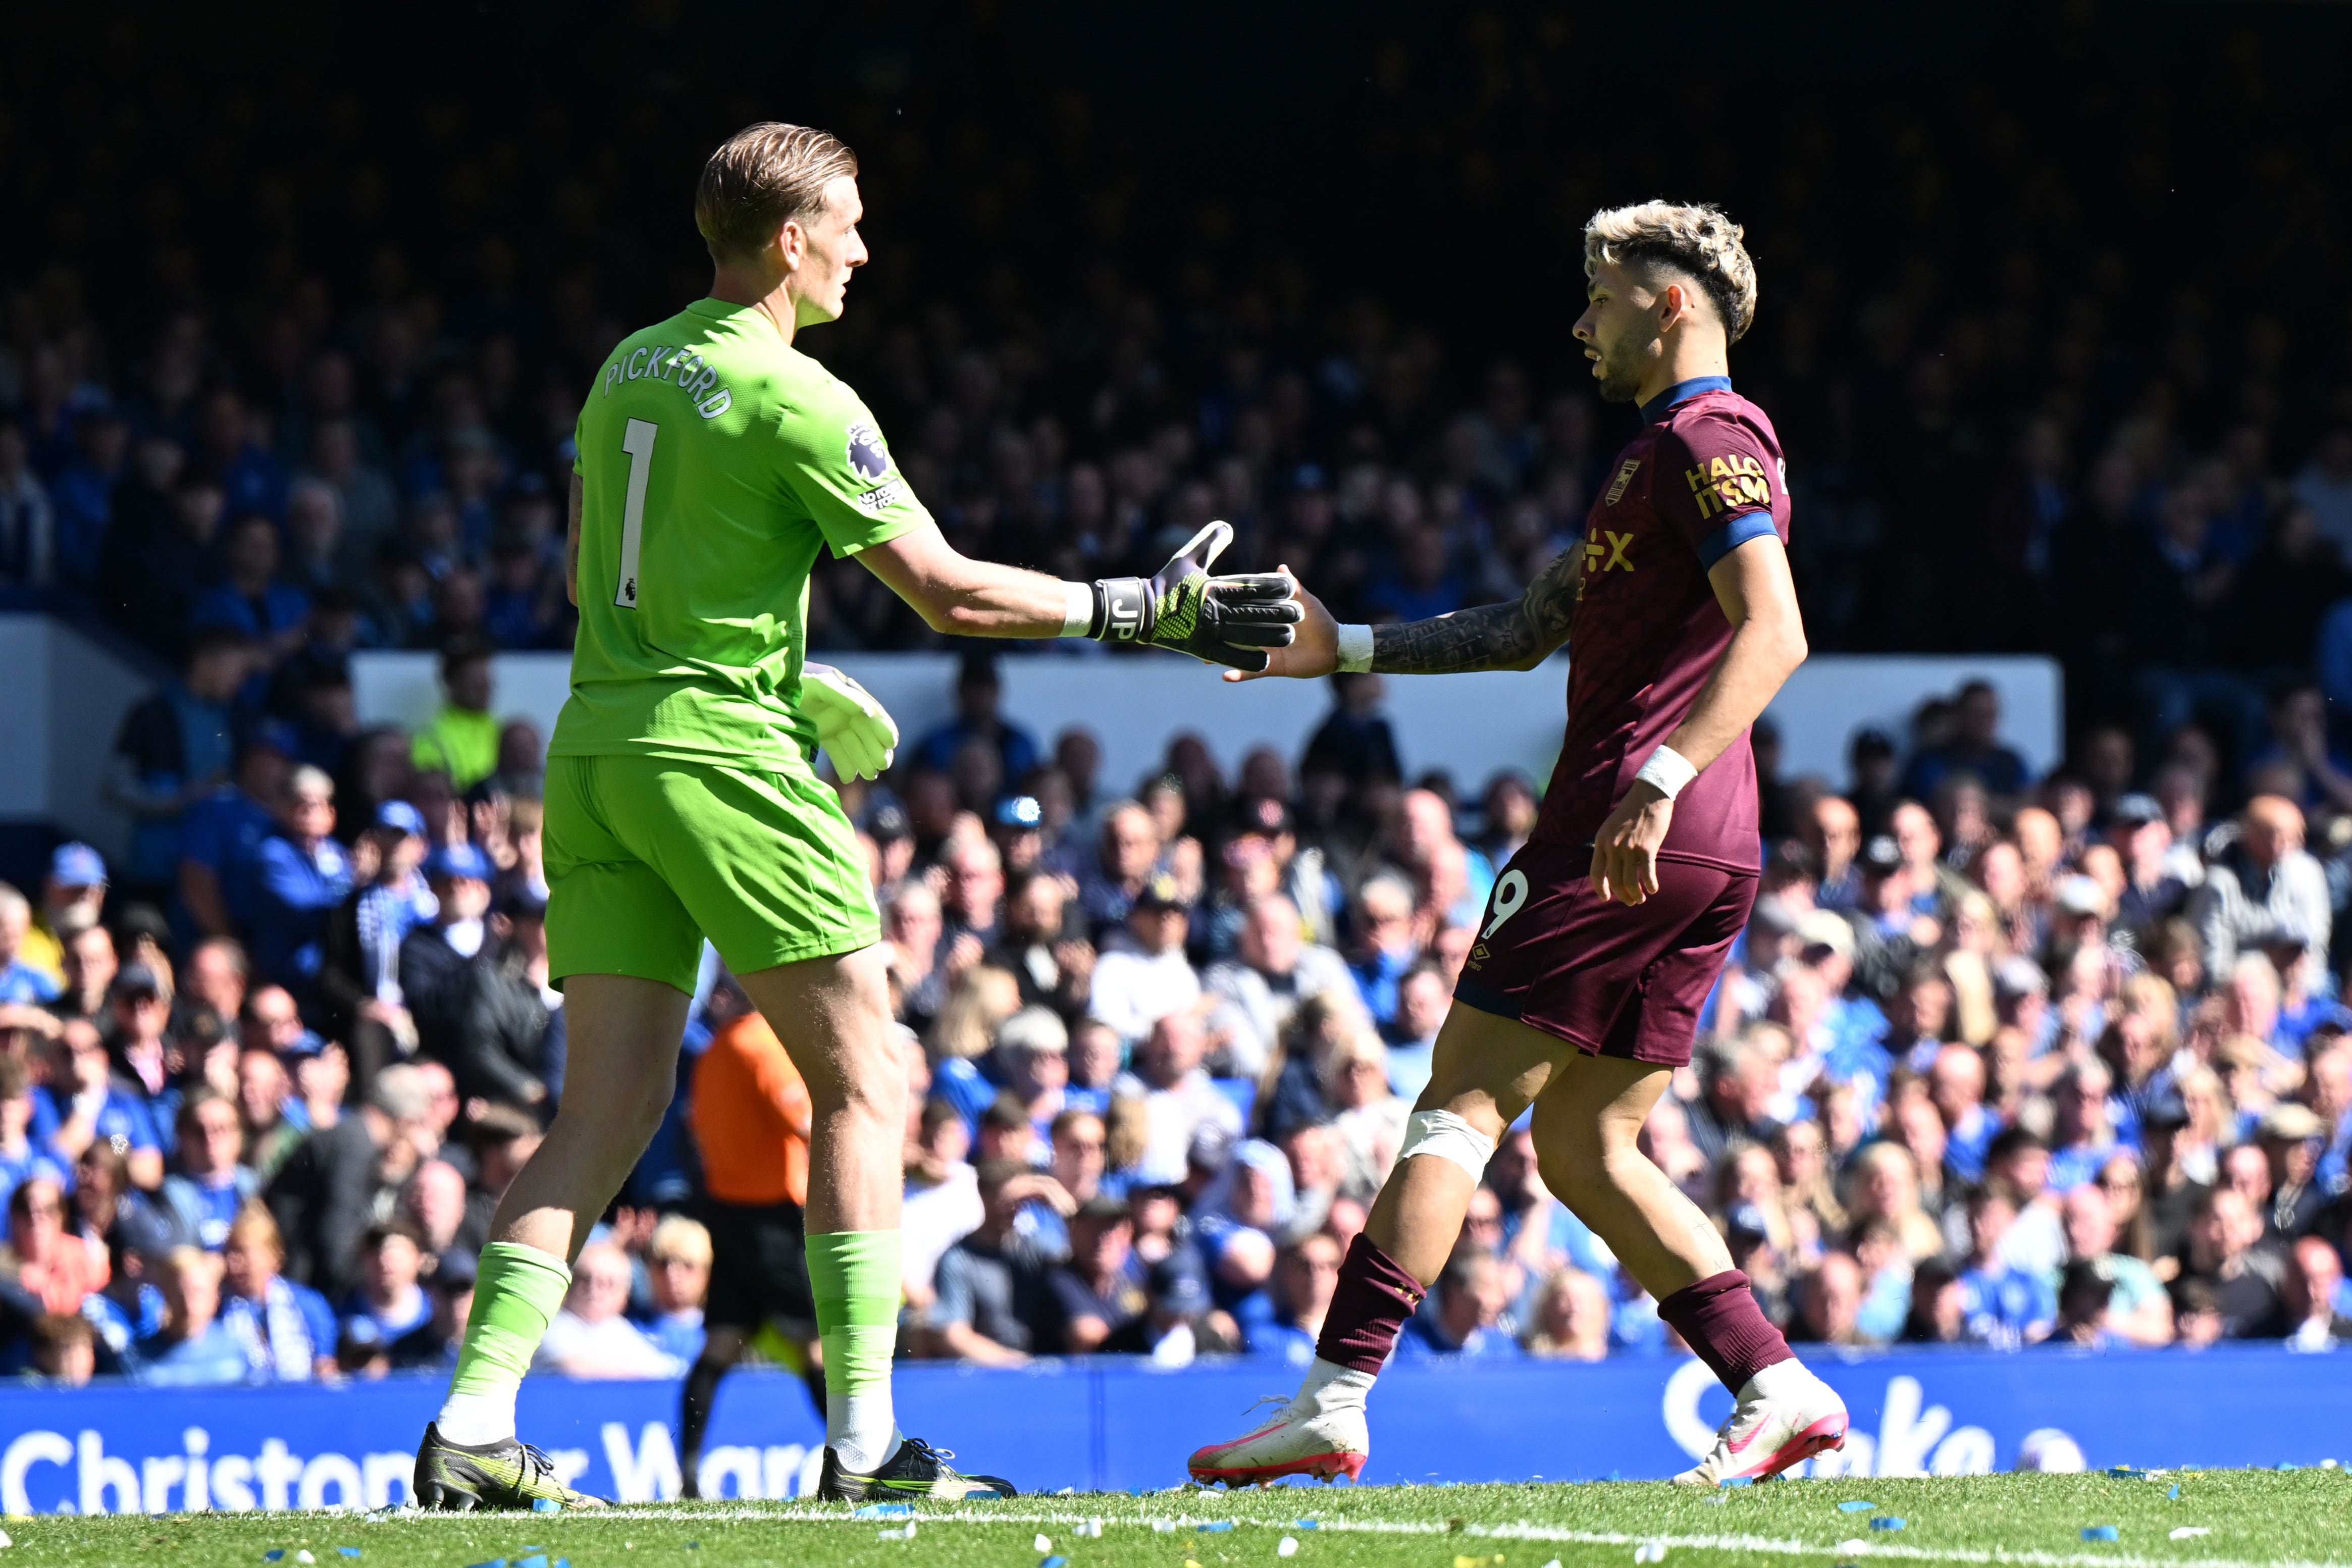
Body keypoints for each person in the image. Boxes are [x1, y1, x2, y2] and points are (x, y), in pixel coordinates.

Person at [413, 120, 1294, 1511]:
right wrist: (1142, 609)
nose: (865, 251)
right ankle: (867, 1444)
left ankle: (471, 1423)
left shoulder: (622, 368)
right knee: (865, 1083)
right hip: (721, 764)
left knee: (601, 1111)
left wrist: (791, 667)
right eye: (851, 225)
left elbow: (599, 596)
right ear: (789, 241)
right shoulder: (800, 395)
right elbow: (947, 593)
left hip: (596, 754)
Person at [1188, 202, 1843, 1489]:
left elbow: (1776, 630)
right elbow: (1523, 624)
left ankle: (1333, 1396)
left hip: (1624, 820)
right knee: (1587, 1145)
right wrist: (1344, 649)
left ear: (1666, 303)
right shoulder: (1650, 458)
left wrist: (1649, 779)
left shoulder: (1710, 432)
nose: (1577, 321)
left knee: (1462, 1096)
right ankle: (1776, 1383)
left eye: (1598, 297)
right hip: (1700, 839)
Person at [677, 982, 823, 1498]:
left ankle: (689, 1472)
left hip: (729, 1210)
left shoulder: (713, 1051)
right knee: (816, 1343)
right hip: (772, 1216)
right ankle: (855, 1461)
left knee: (720, 1340)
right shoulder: (761, 1044)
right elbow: (808, 1123)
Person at [532, 1237, 686, 1379]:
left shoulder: (617, 1329)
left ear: (625, 1295)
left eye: (609, 1284)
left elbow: (665, 1371)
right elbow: (575, 1369)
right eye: (586, 1279)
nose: (595, 1290)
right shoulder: (551, 1326)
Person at [218, 1204, 339, 1382]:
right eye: (229, 1253)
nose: (233, 1264)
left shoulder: (308, 1305)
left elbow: (325, 1364)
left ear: (273, 1256)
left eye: (243, 1253)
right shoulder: (219, 1309)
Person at [411, 639, 503, 792]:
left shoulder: (503, 730)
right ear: (451, 683)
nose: (485, 688)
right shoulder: (431, 738)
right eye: (475, 682)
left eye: (487, 680)